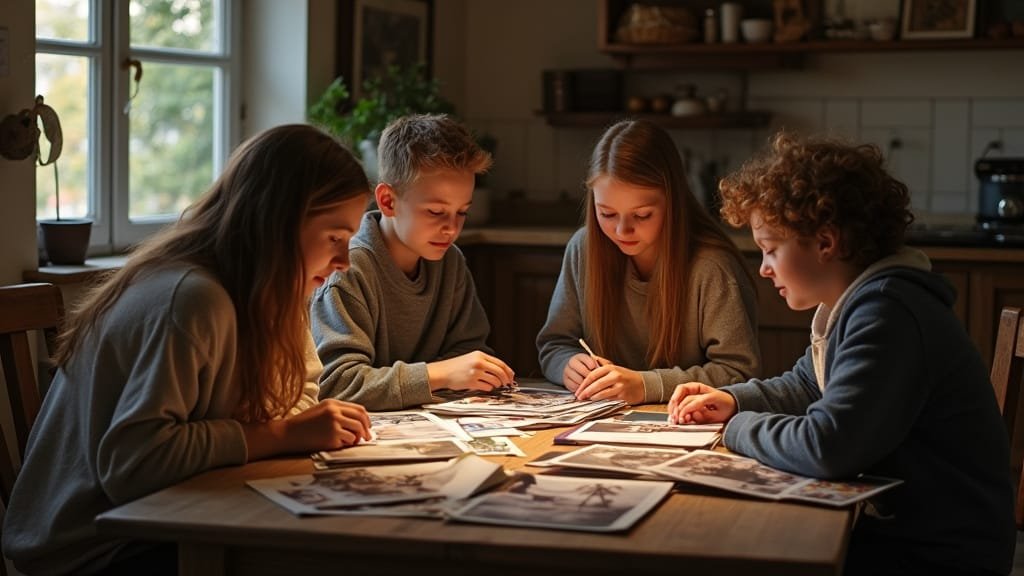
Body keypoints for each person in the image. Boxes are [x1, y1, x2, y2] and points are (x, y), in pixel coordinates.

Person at [2, 124, 374, 576]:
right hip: (92, 547)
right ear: (276, 221)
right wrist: (282, 435)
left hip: (171, 513)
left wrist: (286, 426)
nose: (344, 262)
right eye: (335, 237)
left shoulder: (276, 288)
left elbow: (303, 391)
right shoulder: (192, 299)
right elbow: (133, 463)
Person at [667, 131, 1014, 575]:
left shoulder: (888, 312)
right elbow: (808, 383)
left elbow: (828, 446)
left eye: (771, 249)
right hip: (901, 529)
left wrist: (737, 426)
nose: (764, 268)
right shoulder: (856, 303)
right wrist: (735, 399)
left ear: (826, 242)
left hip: (939, 552)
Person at [537, 119, 761, 405]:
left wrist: (646, 385)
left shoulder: (712, 268)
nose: (622, 231)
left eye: (642, 215)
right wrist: (567, 364)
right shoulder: (583, 248)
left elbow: (740, 373)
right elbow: (554, 344)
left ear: (673, 202)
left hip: (685, 423)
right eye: (606, 214)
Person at [311, 113, 514, 411]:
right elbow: (337, 383)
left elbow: (469, 351)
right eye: (435, 211)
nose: (451, 228)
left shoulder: (450, 261)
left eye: (462, 212)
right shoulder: (347, 268)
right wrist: (439, 374)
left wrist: (466, 371)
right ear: (388, 201)